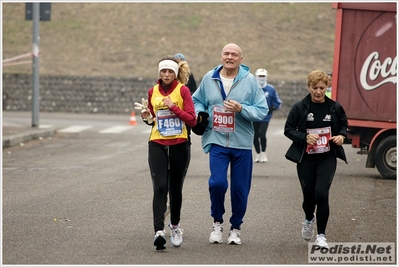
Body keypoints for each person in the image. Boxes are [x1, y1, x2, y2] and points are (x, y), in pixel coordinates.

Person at [192, 43, 269, 245]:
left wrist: (241, 108)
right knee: (217, 183)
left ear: (240, 60)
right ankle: (217, 222)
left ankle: (235, 228)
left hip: (242, 143)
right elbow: (196, 100)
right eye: (226, 53)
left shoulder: (250, 81)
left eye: (234, 54)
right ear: (221, 56)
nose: (230, 57)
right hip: (217, 140)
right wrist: (202, 113)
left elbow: (262, 110)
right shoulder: (210, 78)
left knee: (239, 189)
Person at [136, 55, 197, 251]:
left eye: (170, 71)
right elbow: (153, 120)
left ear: (176, 73)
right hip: (157, 143)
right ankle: (158, 232)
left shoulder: (183, 91)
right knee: (160, 186)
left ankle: (176, 226)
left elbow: (192, 120)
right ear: (159, 73)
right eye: (163, 71)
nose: (167, 74)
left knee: (175, 188)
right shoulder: (152, 91)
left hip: (179, 144)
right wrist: (147, 117)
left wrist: (173, 107)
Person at [284, 69, 348, 249]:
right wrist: (303, 137)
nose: (318, 92)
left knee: (321, 194)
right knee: (308, 199)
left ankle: (321, 235)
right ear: (308, 87)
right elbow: (288, 129)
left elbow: (344, 125)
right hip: (306, 159)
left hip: (327, 158)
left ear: (327, 87)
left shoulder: (334, 107)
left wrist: (341, 136)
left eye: (322, 88)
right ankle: (308, 218)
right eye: (315, 88)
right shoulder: (300, 107)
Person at [253, 68, 282, 163]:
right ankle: (257, 153)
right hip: (254, 116)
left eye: (263, 76)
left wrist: (272, 108)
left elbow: (277, 102)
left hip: (266, 117)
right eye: (259, 76)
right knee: (255, 135)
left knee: (262, 134)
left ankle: (263, 153)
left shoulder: (271, 89)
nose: (261, 78)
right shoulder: (252, 88)